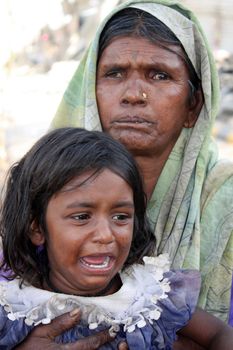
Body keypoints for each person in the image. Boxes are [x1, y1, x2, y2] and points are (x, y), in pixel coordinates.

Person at [0, 127, 233, 350]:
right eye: (82, 217)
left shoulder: (147, 296)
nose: (105, 234)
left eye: (121, 216)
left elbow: (219, 334)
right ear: (37, 229)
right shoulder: (14, 305)